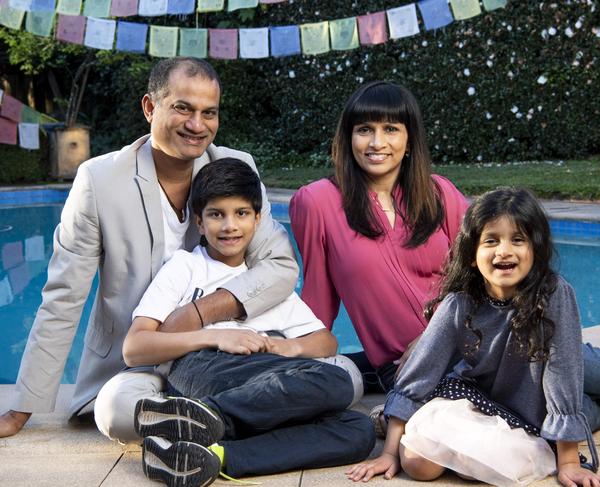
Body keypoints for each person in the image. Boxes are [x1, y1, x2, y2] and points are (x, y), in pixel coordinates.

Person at [0, 57, 299, 439]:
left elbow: (280, 267)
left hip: (223, 358)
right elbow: (63, 295)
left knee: (346, 378)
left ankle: (200, 419)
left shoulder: (236, 167)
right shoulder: (101, 180)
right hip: (135, 366)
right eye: (182, 108)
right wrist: (22, 406)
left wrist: (198, 312)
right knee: (117, 413)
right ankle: (229, 417)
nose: (197, 125)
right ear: (149, 107)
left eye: (209, 113)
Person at [347, 187, 600, 487]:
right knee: (418, 465)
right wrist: (390, 453)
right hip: (497, 395)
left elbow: (563, 374)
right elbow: (418, 374)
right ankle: (394, 421)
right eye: (492, 240)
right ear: (471, 255)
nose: (504, 250)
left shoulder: (554, 294)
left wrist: (568, 461)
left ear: (536, 250)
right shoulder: (460, 304)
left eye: (518, 240)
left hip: (551, 375)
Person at [122, 159, 375, 485]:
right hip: (204, 368)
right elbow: (135, 347)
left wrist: (288, 346)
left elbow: (325, 342)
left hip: (265, 380)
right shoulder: (185, 268)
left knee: (358, 429)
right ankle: (209, 415)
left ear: (257, 220)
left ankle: (211, 454)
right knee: (338, 384)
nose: (229, 225)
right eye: (216, 214)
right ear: (199, 222)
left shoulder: (266, 282)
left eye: (241, 213)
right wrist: (215, 337)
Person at [289, 81, 469, 394]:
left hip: (473, 344)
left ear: (409, 139)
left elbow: (476, 280)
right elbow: (318, 298)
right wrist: (296, 362)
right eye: (364, 129)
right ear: (348, 138)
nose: (376, 142)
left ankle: (578, 439)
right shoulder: (317, 202)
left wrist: (436, 338)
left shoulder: (440, 193)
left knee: (567, 375)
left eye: (390, 129)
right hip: (407, 368)